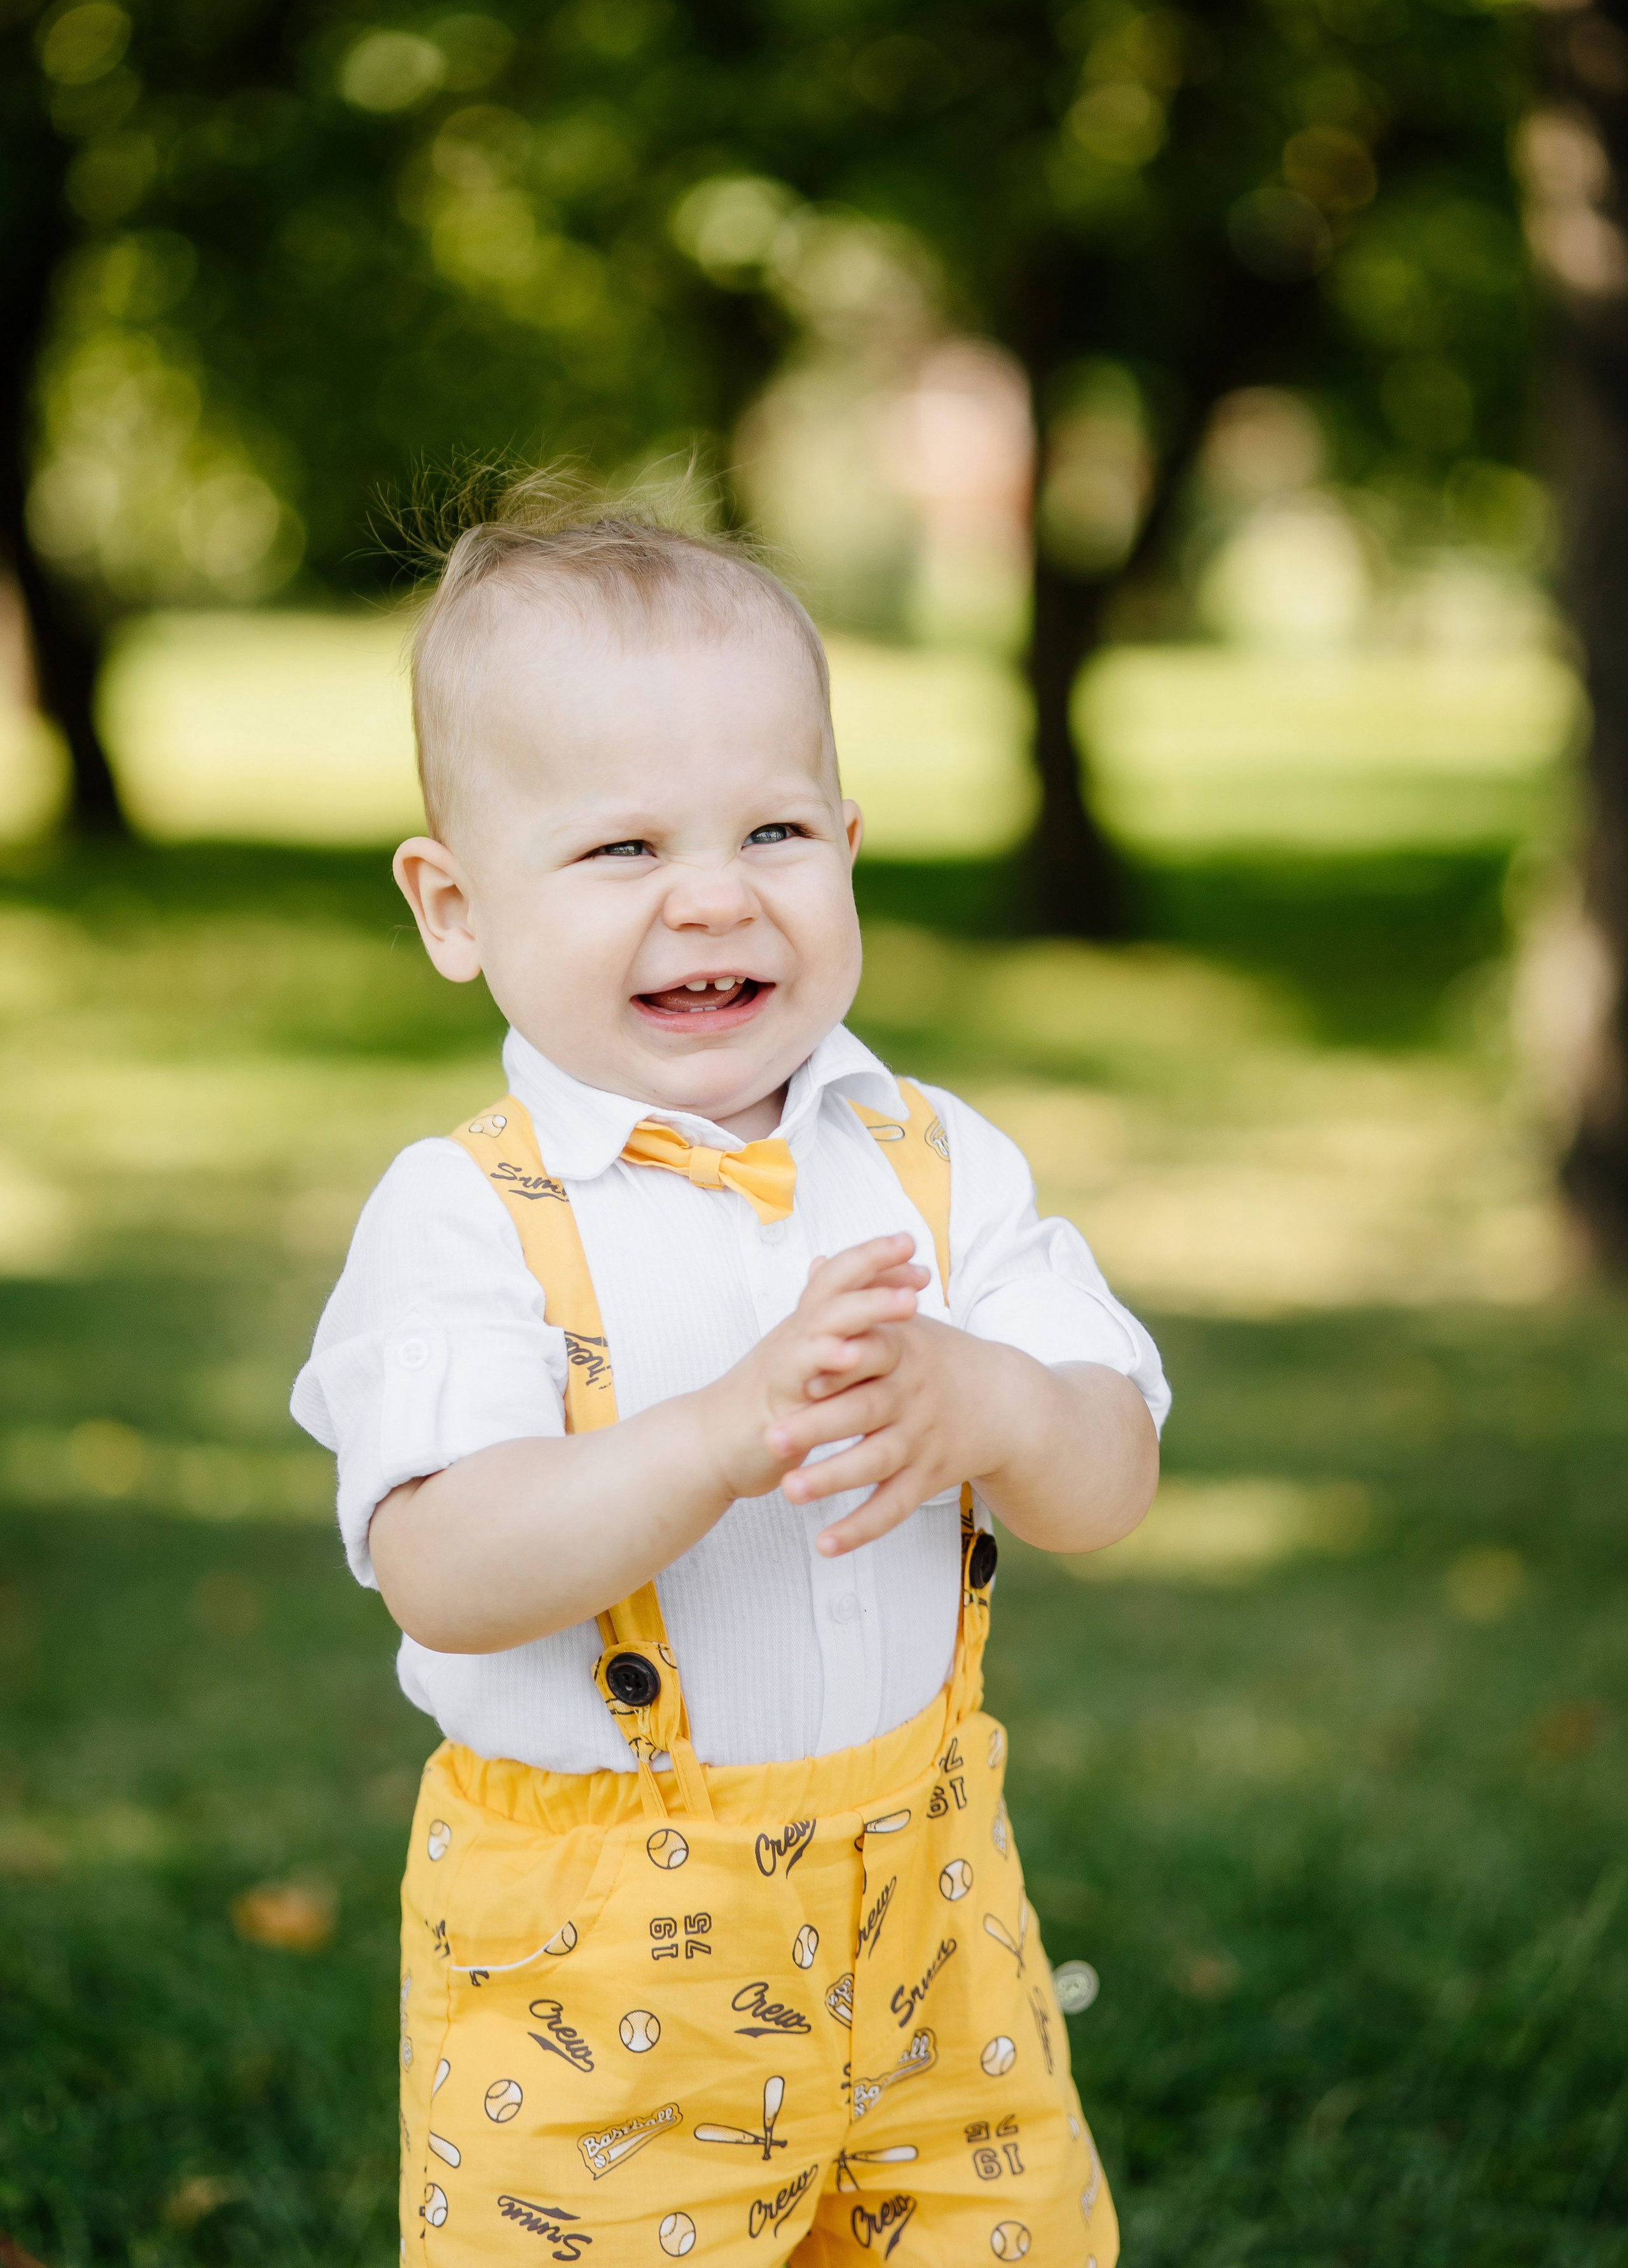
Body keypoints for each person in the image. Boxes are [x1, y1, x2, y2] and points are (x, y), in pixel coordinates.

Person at [292, 478, 1168, 2265]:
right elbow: (444, 1569)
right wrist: (711, 1437)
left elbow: (1110, 1480)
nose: (713, 900)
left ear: (848, 844)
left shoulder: (934, 1163)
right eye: (622, 850)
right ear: (455, 907)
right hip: (594, 1971)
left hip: (936, 1926)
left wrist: (1003, 1404)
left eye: (773, 831)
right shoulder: (467, 1217)